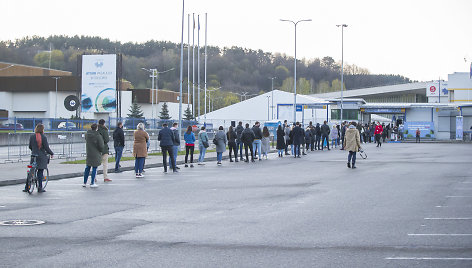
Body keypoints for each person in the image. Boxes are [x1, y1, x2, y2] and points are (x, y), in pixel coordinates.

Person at [24, 123, 54, 193]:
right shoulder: (43, 137)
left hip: (33, 156)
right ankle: (40, 188)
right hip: (41, 157)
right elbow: (46, 148)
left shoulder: (32, 136)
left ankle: (26, 187)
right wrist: (51, 153)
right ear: (42, 130)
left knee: (30, 171)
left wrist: (34, 151)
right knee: (40, 172)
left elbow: (30, 146)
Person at [83, 123, 104, 188]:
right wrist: (101, 150)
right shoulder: (98, 136)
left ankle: (84, 182)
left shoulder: (87, 134)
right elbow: (101, 146)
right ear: (96, 128)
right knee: (94, 168)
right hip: (96, 153)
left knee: (87, 168)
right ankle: (92, 182)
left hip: (89, 152)